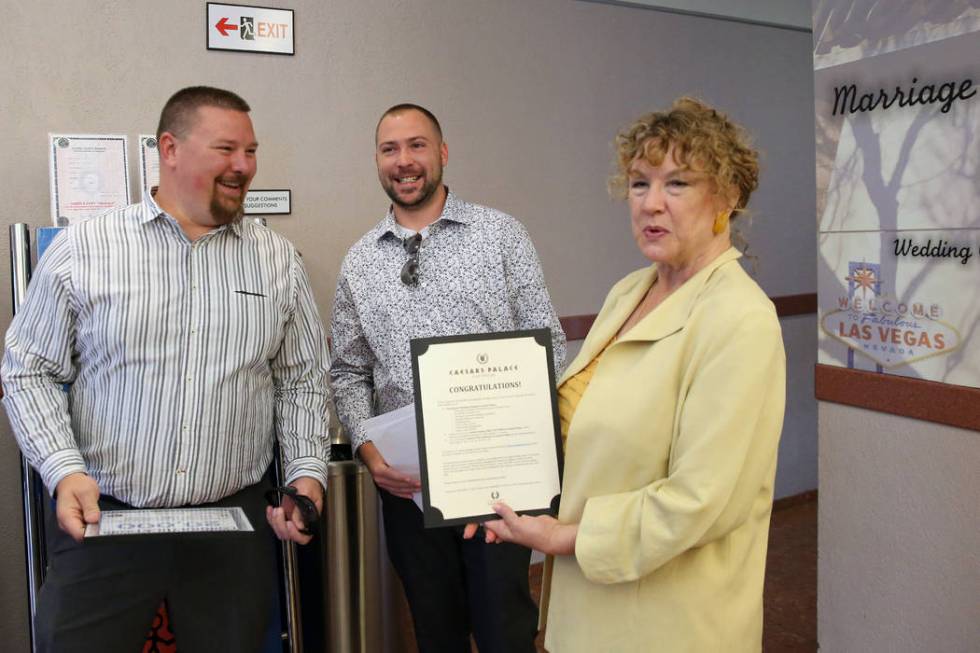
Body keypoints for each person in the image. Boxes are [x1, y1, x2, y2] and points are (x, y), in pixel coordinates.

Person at [2, 86, 330, 652]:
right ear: (170, 148)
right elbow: (27, 370)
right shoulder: (87, 249)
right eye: (226, 149)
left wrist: (305, 474)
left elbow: (301, 378)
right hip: (106, 522)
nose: (243, 167)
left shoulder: (277, 259)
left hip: (230, 528)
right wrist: (62, 469)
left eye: (250, 152)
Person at [468, 97, 786, 652]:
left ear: (728, 197)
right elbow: (584, 431)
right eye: (640, 184)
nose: (651, 204)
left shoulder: (740, 319)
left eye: (678, 184)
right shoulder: (630, 291)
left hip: (670, 624)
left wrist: (565, 538)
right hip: (593, 610)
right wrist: (495, 490)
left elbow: (699, 501)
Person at [329, 103, 566, 653]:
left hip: (501, 478)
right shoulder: (360, 261)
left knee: (504, 622)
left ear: (442, 152)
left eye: (417, 145)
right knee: (435, 626)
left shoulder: (500, 235)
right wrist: (369, 453)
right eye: (390, 149)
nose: (404, 161)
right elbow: (347, 371)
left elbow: (547, 343)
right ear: (377, 160)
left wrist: (524, 443)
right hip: (408, 485)